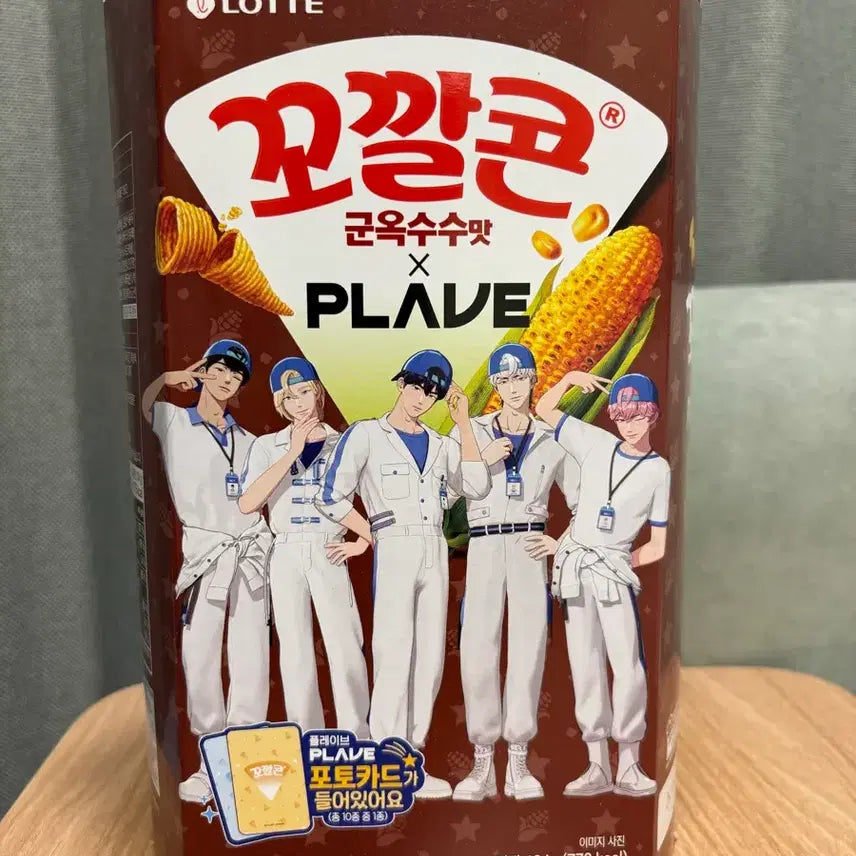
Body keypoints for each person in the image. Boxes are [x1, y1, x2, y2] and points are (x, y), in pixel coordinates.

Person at [316, 350, 490, 800]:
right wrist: (368, 532)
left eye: (431, 393)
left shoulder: (442, 444)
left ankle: (411, 757)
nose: (421, 398)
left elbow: (477, 486)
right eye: (415, 387)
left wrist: (464, 424)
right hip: (394, 546)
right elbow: (330, 496)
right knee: (394, 652)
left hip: (434, 548)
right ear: (400, 384)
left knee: (429, 658)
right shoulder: (366, 435)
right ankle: (385, 756)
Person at [142, 339, 271, 805]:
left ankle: (244, 761)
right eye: (218, 369)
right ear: (203, 371)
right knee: (199, 653)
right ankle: (206, 763)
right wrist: (165, 379)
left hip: (252, 551)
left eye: (235, 375)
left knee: (251, 654)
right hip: (205, 551)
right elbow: (138, 407)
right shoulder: (174, 421)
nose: (226, 379)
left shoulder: (250, 441)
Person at [452, 344, 580, 802]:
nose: (513, 388)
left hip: (529, 544)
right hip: (484, 541)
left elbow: (585, 499)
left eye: (520, 378)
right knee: (478, 647)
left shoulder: (551, 436)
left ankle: (519, 762)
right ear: (494, 385)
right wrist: (482, 457)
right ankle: (483, 760)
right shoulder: (472, 430)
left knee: (528, 646)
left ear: (533, 380)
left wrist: (561, 542)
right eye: (503, 380)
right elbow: (447, 489)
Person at [535, 372, 671, 798]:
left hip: (613, 570)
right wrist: (569, 379)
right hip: (575, 568)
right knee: (585, 662)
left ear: (652, 415)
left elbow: (658, 544)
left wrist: (621, 561)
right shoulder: (594, 441)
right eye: (622, 416)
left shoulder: (659, 470)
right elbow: (544, 409)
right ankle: (597, 764)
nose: (629, 425)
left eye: (638, 415)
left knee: (627, 664)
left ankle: (629, 763)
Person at [238, 357, 370, 737]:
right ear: (279, 402)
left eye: (304, 393)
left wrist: (363, 540)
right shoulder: (268, 446)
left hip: (329, 547)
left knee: (345, 645)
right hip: (285, 550)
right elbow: (248, 503)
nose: (298, 403)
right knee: (295, 649)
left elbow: (373, 499)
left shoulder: (344, 444)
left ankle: (356, 735)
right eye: (289, 397)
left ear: (318, 393)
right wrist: (291, 452)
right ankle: (307, 736)